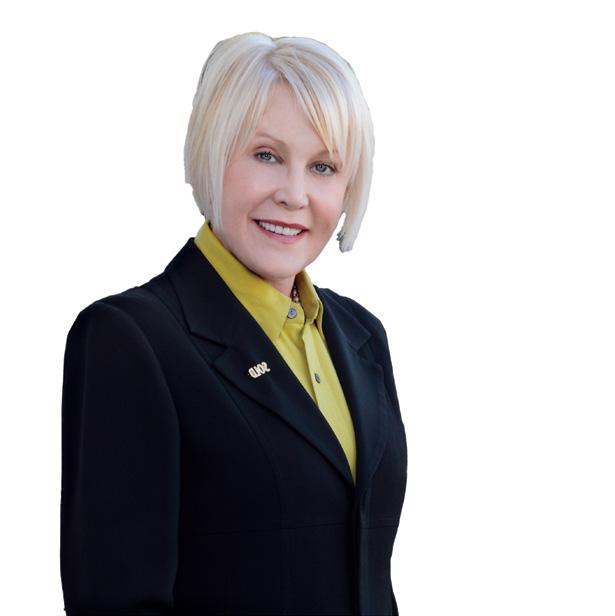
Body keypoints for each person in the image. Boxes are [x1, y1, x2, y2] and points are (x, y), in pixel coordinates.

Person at [60, 31, 407, 616]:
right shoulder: (131, 339)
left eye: (323, 166)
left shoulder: (361, 335)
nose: (294, 194)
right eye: (266, 155)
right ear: (213, 152)